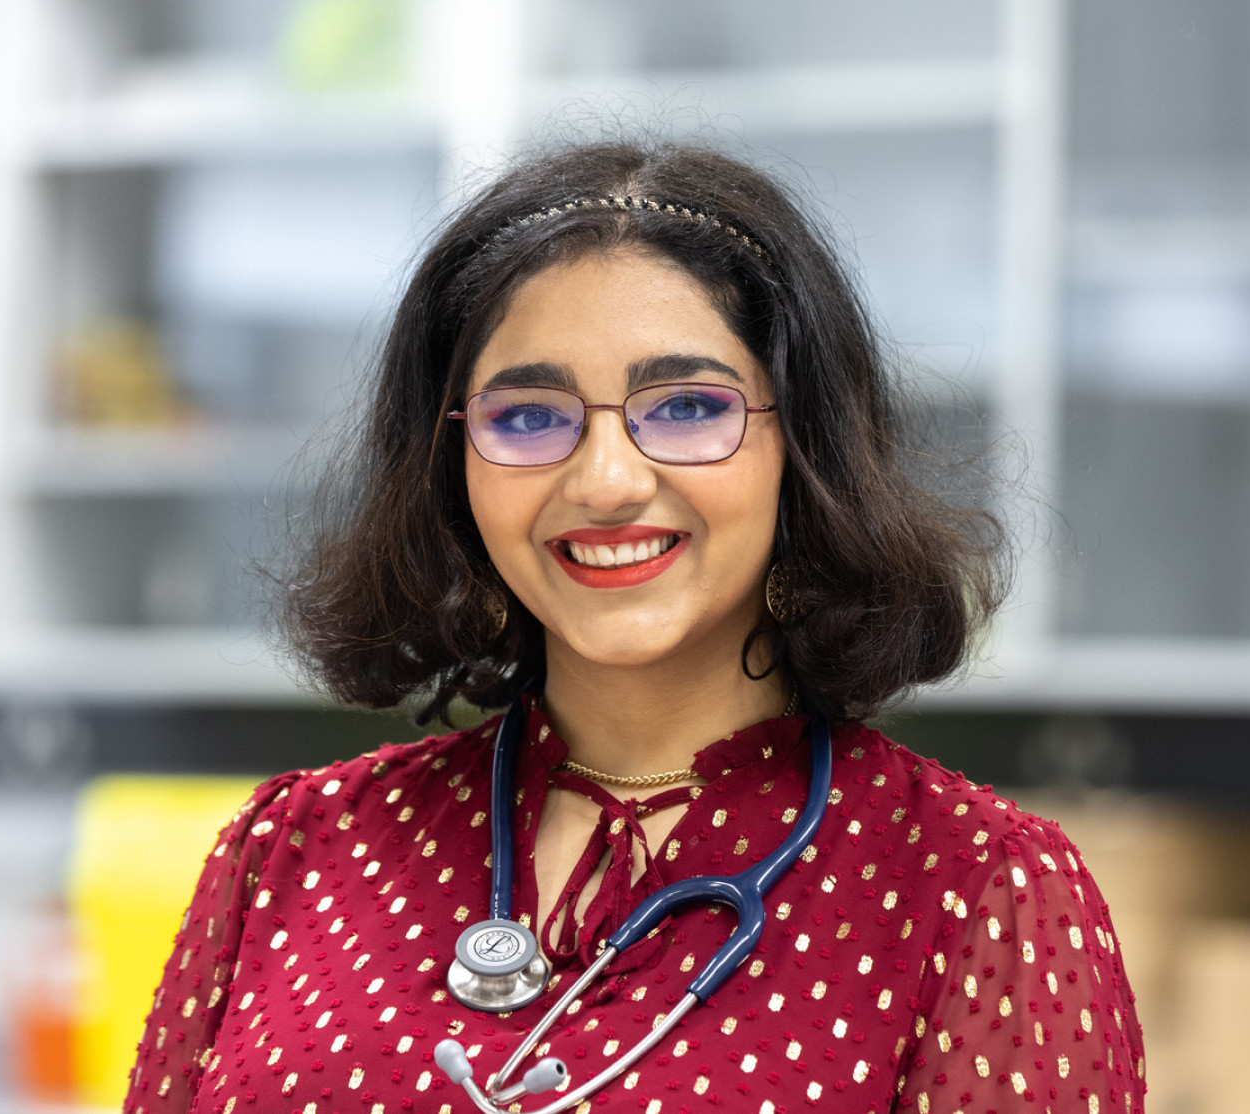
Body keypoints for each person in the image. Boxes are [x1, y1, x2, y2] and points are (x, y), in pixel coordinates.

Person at [123, 138, 1145, 1114]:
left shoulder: (976, 890)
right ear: (452, 465)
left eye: (688, 405)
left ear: (805, 445)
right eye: (527, 417)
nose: (607, 480)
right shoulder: (291, 850)